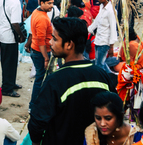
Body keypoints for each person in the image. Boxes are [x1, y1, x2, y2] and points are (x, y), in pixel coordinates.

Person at [28, 17, 115, 145]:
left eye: (55, 39)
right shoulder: (101, 75)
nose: (50, 42)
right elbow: (116, 111)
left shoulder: (55, 81)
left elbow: (37, 122)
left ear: (69, 44)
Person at [0, 0, 25, 98]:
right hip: (9, 35)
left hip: (3, 32)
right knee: (9, 62)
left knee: (10, 61)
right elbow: (15, 23)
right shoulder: (15, 2)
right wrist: (21, 35)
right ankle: (7, 88)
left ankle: (10, 83)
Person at [29, 0, 55, 109]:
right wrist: (46, 58)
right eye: (49, 3)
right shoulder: (43, 18)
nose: (51, 6)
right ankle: (33, 104)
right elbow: (41, 40)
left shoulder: (37, 12)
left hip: (36, 49)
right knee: (40, 78)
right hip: (40, 52)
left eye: (53, 3)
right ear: (42, 3)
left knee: (41, 77)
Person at [88, 0, 117, 73]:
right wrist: (87, 30)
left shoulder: (111, 11)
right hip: (98, 40)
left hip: (104, 42)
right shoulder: (101, 7)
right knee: (101, 62)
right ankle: (110, 76)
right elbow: (96, 21)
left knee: (99, 64)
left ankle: (106, 78)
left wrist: (111, 46)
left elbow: (113, 29)